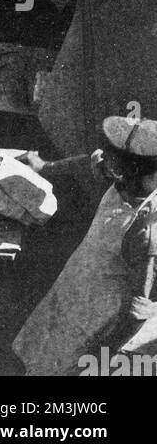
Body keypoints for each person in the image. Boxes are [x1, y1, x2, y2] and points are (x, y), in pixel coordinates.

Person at [13, 115, 157, 376]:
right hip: (75, 288)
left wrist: (101, 355)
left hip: (95, 321)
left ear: (132, 169)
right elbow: (90, 162)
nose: (103, 157)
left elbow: (139, 309)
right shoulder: (128, 175)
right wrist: (45, 166)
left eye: (112, 156)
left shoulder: (148, 230)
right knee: (41, 352)